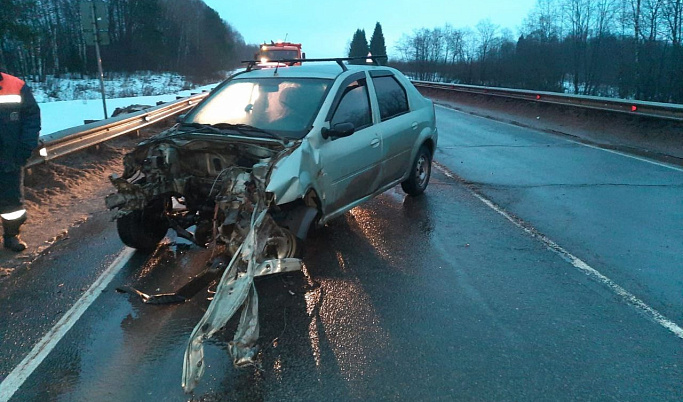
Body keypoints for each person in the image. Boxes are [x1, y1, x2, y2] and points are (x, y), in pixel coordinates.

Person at [0, 65, 41, 252]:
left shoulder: (15, 85)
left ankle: (11, 235)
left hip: (10, 157)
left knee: (12, 203)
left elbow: (31, 117)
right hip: (11, 156)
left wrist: (25, 147)